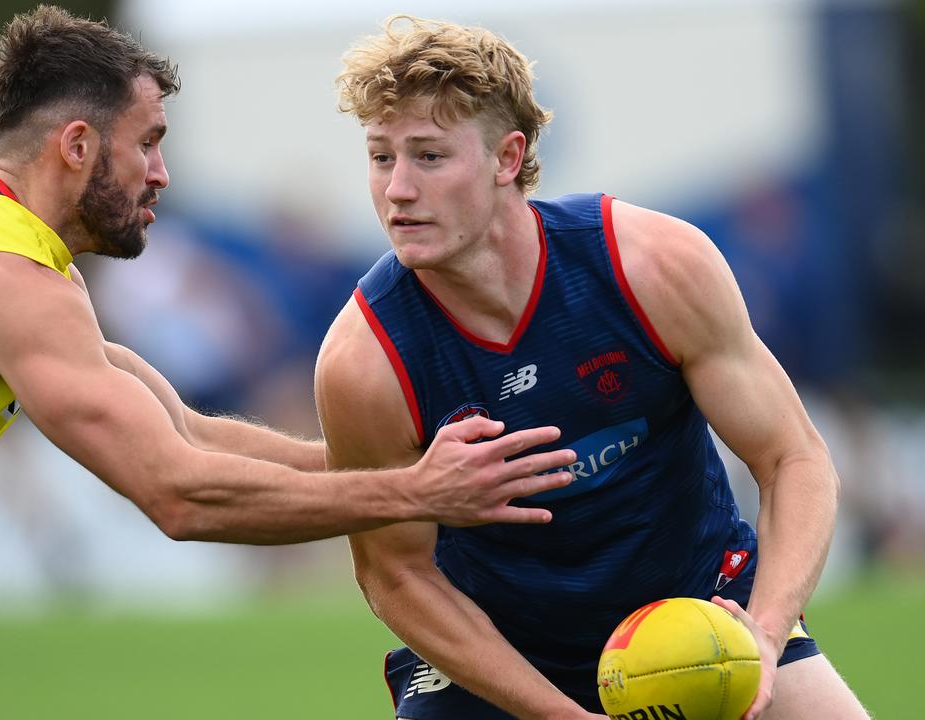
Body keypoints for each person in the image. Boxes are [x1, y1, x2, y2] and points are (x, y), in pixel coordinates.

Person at [0, 8, 578, 719]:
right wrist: (419, 496)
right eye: (150, 144)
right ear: (79, 146)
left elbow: (190, 433)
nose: (162, 173)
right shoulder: (3, 276)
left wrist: (437, 470)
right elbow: (180, 495)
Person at [314, 15, 870, 720]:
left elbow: (794, 459)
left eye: (427, 156)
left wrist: (760, 633)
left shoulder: (653, 265)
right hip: (501, 658)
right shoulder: (365, 362)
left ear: (507, 158)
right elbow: (396, 575)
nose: (396, 190)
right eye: (380, 157)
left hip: (702, 616)